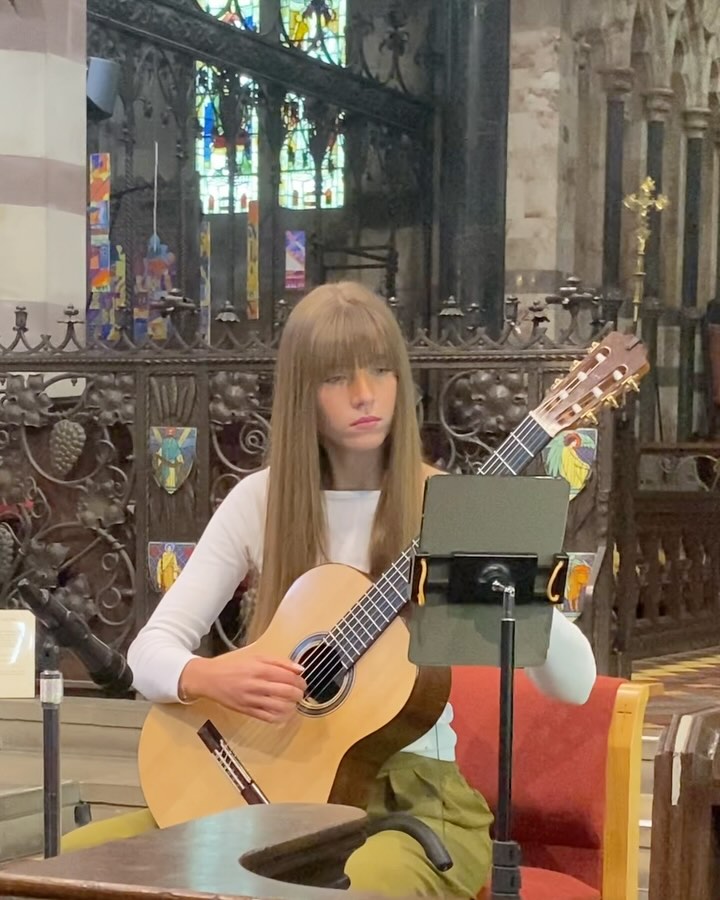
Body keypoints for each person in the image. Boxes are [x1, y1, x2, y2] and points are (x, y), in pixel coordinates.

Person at [62, 282, 597, 897]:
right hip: (265, 787)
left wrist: (516, 579)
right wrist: (212, 677)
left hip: (410, 806)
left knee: (351, 888)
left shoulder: (446, 508)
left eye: (380, 371)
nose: (365, 395)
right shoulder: (258, 501)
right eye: (337, 377)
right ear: (301, 395)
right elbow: (148, 653)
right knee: (74, 861)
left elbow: (574, 686)